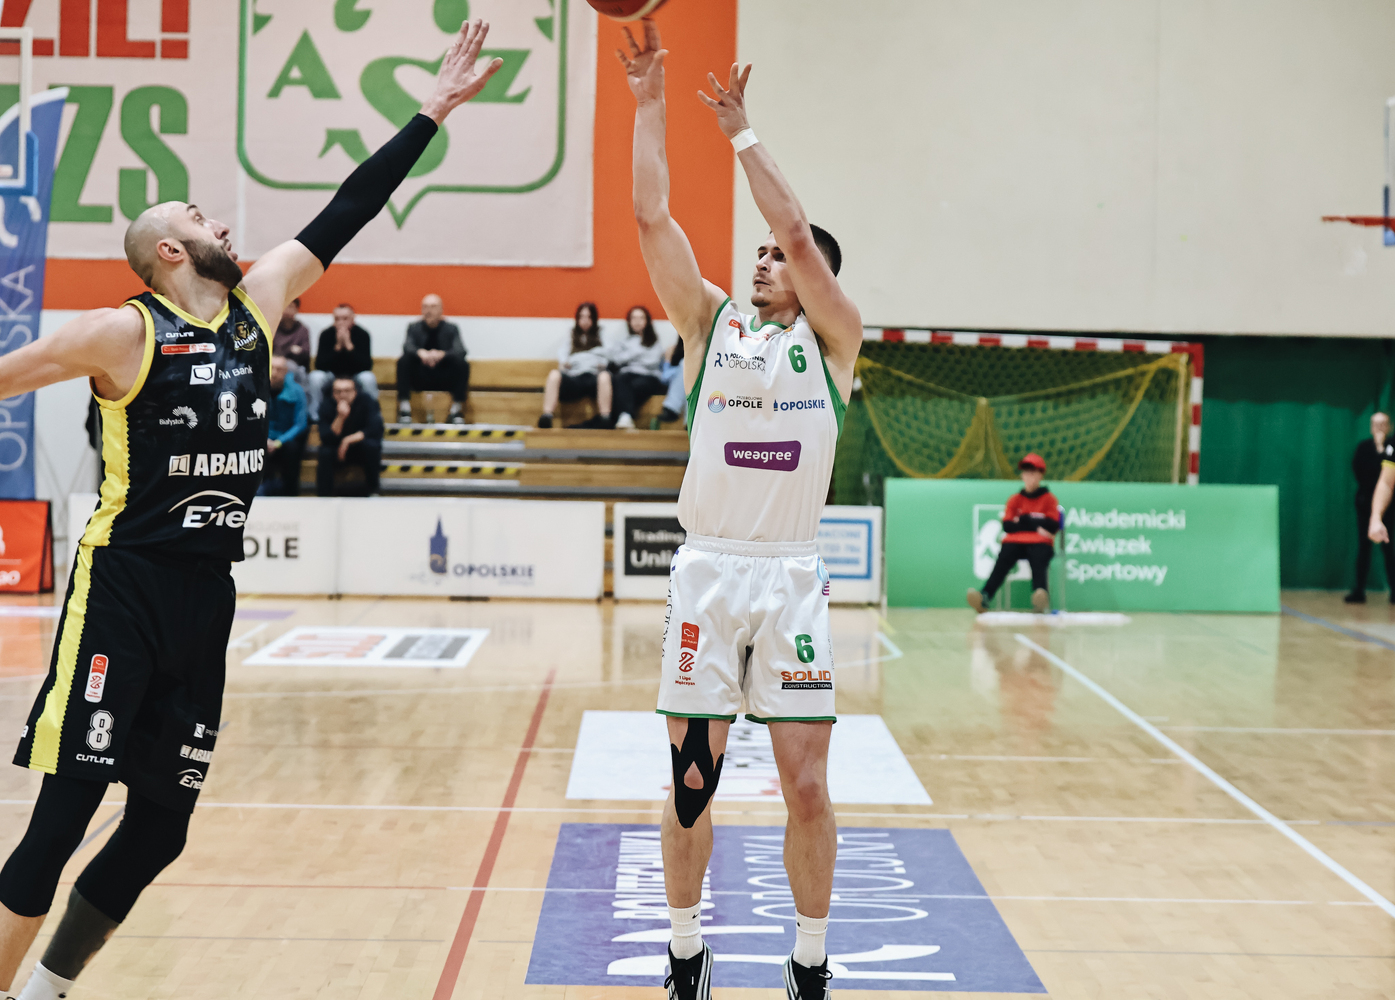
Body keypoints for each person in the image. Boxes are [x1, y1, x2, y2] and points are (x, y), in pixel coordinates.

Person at [0, 23, 502, 1000]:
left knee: (161, 827)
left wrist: (431, 112)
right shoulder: (121, 332)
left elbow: (350, 207)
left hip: (205, 598)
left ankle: (46, 989)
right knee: (62, 818)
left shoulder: (256, 306)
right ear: (170, 250)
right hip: (122, 591)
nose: (226, 230)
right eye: (204, 220)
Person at [620, 23, 863, 1000]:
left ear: (813, 282)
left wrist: (741, 133)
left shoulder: (836, 341)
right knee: (692, 783)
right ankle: (686, 950)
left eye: (776, 257)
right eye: (756, 253)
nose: (764, 260)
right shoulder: (710, 322)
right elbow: (650, 218)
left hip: (790, 576)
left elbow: (801, 234)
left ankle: (809, 959)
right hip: (709, 572)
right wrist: (648, 105)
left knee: (806, 784)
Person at [967, 453, 1060, 614]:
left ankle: (1040, 598)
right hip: (1015, 542)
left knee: (1039, 560)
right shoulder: (1015, 500)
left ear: (1040, 475)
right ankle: (985, 597)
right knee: (1002, 561)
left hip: (1040, 543)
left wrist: (1024, 520)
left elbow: (1052, 525)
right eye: (1025, 472)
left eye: (1033, 472)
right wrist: (1037, 523)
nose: (1028, 476)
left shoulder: (1049, 499)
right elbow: (1008, 526)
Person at [396, 293, 469, 425]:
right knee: (403, 361)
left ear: (441, 310)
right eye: (425, 307)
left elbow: (461, 350)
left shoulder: (451, 329)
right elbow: (407, 346)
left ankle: (456, 410)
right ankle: (404, 409)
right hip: (421, 377)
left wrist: (442, 354)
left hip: (443, 377)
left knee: (462, 364)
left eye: (433, 306)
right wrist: (420, 352)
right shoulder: (414, 327)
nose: (428, 311)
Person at [1346, 413, 1395, 603]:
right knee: (1364, 549)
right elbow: (1385, 481)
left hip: (1390, 509)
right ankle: (1359, 590)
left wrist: (1382, 447)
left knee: (1389, 550)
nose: (1379, 428)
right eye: (1376, 424)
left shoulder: (1389, 445)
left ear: (1389, 426)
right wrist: (1375, 517)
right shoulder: (1364, 447)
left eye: (1383, 424)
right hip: (1366, 504)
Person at [540, 302, 612, 428]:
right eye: (582, 317)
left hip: (593, 378)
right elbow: (562, 355)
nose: (585, 320)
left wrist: (595, 359)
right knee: (554, 374)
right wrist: (566, 363)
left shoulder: (601, 334)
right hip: (574, 378)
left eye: (589, 317)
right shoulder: (571, 335)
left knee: (605, 376)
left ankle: (605, 418)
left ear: (594, 319)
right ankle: (547, 415)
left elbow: (609, 352)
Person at [317, 376, 384, 497]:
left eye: (347, 391)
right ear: (333, 393)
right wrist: (340, 417)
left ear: (355, 391)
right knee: (325, 452)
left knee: (371, 446)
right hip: (337, 449)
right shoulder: (326, 404)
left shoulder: (367, 401)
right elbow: (326, 437)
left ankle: (374, 491)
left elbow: (374, 428)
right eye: (338, 391)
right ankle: (324, 495)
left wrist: (347, 440)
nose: (342, 395)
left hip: (359, 446)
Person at [309, 303, 377, 421]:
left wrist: (349, 346)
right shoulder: (326, 334)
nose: (341, 322)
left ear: (352, 318)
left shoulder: (362, 334)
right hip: (332, 375)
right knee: (315, 377)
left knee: (368, 378)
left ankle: (372, 415)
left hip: (355, 376)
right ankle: (315, 417)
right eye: (337, 319)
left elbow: (366, 365)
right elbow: (320, 365)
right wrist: (337, 347)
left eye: (345, 319)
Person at [609, 305, 666, 429]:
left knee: (630, 387)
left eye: (641, 318)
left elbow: (653, 361)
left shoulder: (654, 341)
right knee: (619, 381)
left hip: (649, 377)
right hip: (627, 375)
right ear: (629, 321)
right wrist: (639, 351)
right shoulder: (624, 341)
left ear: (647, 321)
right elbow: (616, 360)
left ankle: (622, 416)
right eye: (634, 318)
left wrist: (630, 355)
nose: (637, 321)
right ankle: (625, 417)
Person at [260, 355, 309, 496]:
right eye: (272, 368)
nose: (275, 373)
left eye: (279, 369)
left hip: (286, 440)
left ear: (286, 371)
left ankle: (290, 493)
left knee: (292, 449)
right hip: (263, 439)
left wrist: (279, 442)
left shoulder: (297, 391)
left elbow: (300, 424)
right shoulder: (256, 389)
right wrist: (265, 440)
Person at [273, 297, 312, 384]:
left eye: (290, 306)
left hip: (296, 365)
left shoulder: (302, 330)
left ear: (296, 309)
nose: (287, 309)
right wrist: (291, 350)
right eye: (285, 306)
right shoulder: (274, 327)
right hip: (275, 362)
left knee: (296, 369)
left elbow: (305, 354)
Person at [657, 334, 686, 426]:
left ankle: (672, 407)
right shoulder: (673, 350)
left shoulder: (702, 349)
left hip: (691, 383)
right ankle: (689, 420)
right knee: (684, 364)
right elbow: (664, 377)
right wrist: (667, 360)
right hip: (673, 382)